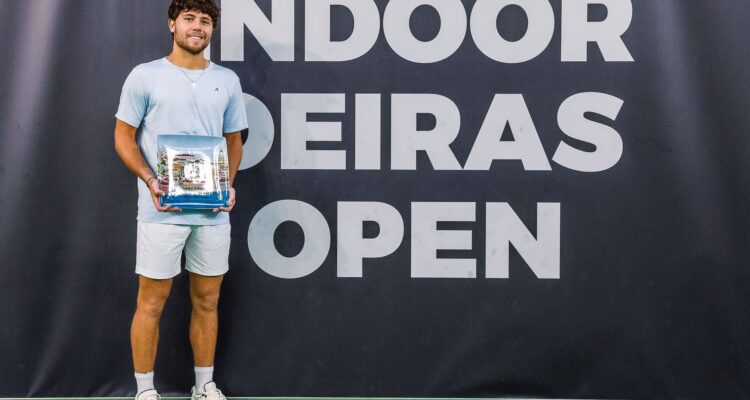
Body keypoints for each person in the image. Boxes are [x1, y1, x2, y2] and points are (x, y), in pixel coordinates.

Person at [114, 0, 246, 399]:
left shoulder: (227, 80)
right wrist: (152, 180)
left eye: (206, 21)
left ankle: (204, 385)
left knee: (208, 299)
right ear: (173, 24)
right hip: (161, 211)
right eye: (189, 18)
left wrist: (228, 183)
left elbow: (234, 141)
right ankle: (144, 391)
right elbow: (123, 137)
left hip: (211, 212)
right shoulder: (146, 76)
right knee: (151, 301)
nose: (198, 27)